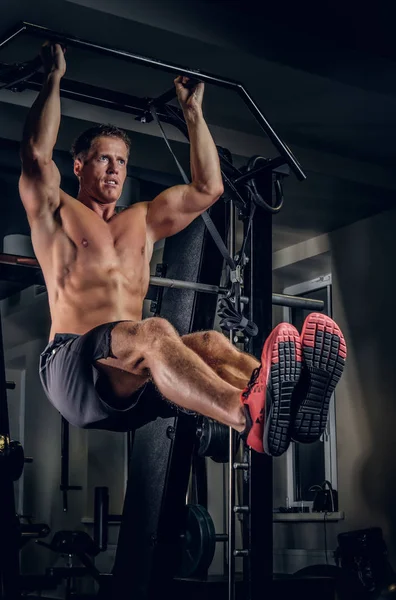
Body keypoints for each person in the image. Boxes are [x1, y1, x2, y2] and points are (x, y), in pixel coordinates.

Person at [19, 43, 346, 457]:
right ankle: (247, 416)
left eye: (121, 160)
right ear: (79, 165)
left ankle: (294, 405)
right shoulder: (56, 210)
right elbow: (35, 156)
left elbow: (208, 189)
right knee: (155, 331)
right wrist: (53, 78)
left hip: (129, 375)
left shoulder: (141, 219)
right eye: (103, 158)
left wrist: (192, 112)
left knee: (209, 343)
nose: (115, 168)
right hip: (72, 366)